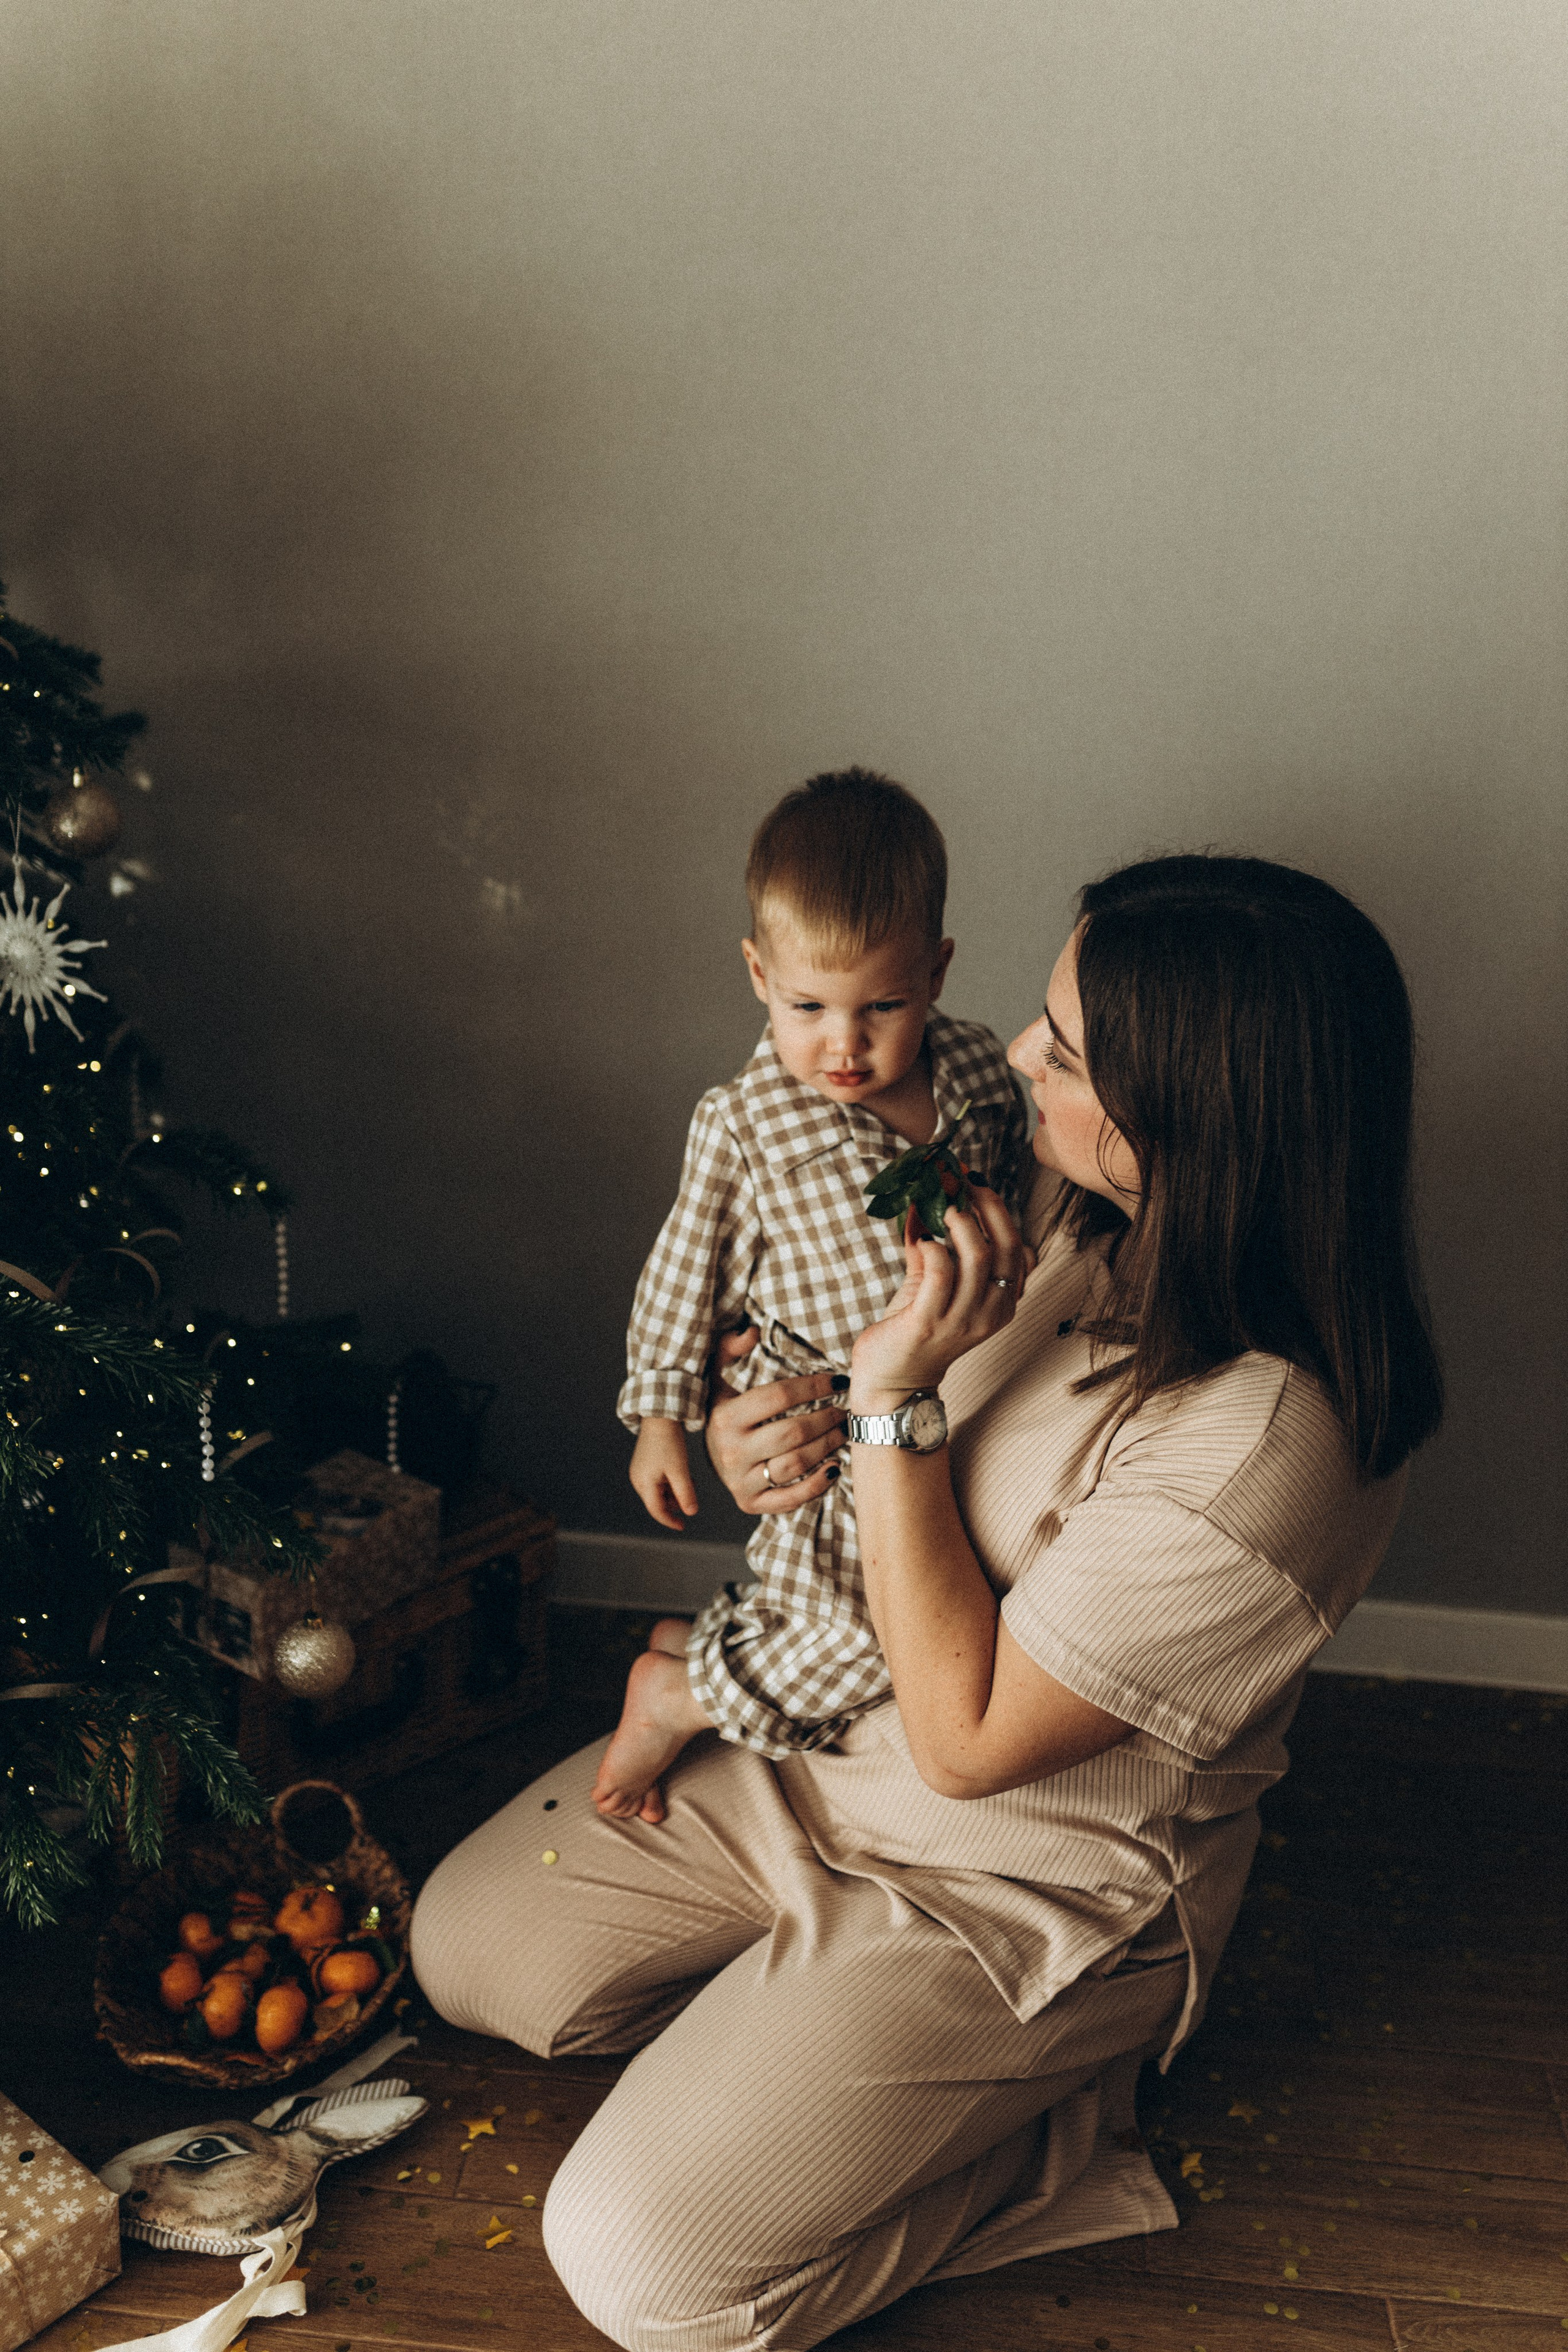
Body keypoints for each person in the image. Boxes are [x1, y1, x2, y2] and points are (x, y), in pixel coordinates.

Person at [411, 853, 1442, 2352]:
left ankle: (1047, 2126)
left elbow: (966, 1744)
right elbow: (843, 1358)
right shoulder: (1064, 1203)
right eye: (1040, 1016)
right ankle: (794, 2020)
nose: (1014, 1055)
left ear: (1193, 1121)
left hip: (1007, 1877)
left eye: (1066, 1052)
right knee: (472, 1958)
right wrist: (747, 1428)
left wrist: (890, 1406)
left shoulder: (1267, 1454)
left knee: (651, 2277)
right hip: (822, 1743)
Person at [598, 767, 1028, 1819]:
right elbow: (683, 1271)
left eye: (883, 1005)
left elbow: (1030, 1194)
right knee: (866, 1637)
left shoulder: (978, 1071)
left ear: (936, 970)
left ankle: (695, 1650)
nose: (845, 1045)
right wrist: (662, 1417)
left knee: (950, 1611)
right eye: (809, 1007)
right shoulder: (746, 1122)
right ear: (758, 973)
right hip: (829, 1428)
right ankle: (677, 1691)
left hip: (964, 1397)